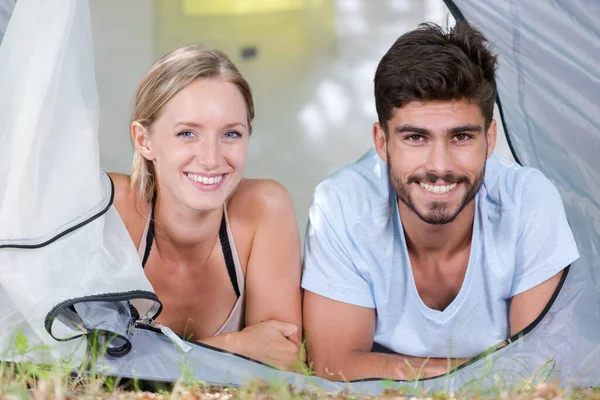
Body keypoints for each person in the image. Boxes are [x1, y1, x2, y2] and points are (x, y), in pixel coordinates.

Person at [301, 21, 580, 381]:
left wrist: (390, 367)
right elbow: (333, 364)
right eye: (416, 137)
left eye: (461, 136)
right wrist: (476, 376)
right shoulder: (341, 205)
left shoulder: (528, 201)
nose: (440, 166)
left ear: (490, 139)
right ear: (382, 142)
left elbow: (539, 370)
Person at [109, 45, 303, 371]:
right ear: (144, 141)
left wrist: (149, 356)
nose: (211, 159)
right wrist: (233, 346)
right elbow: (80, 356)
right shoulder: (112, 209)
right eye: (187, 133)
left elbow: (283, 360)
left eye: (231, 133)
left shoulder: (265, 209)